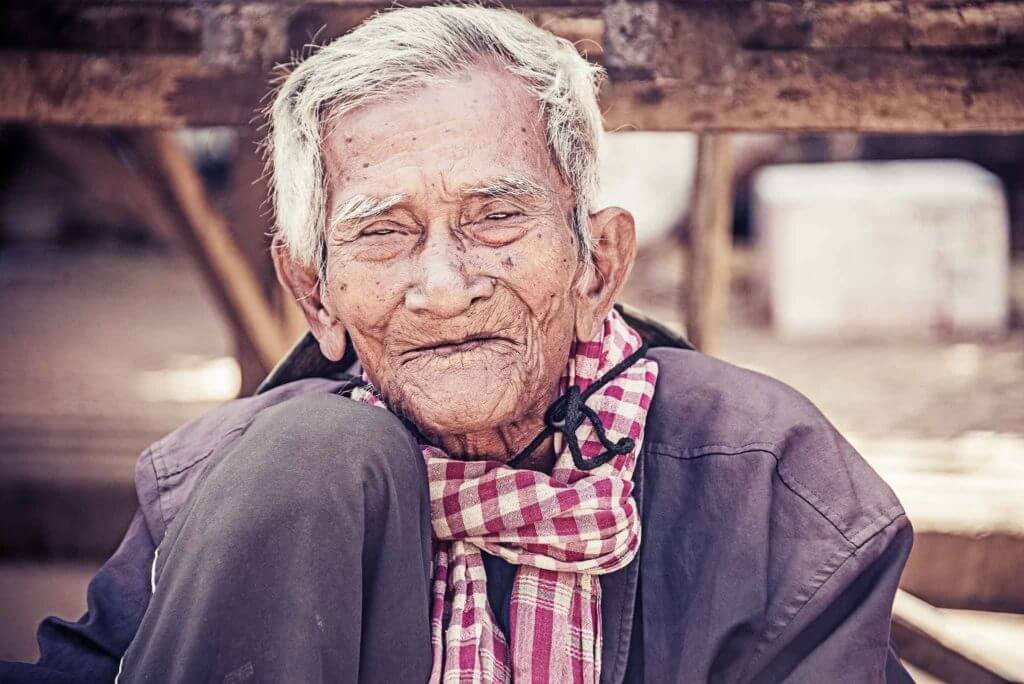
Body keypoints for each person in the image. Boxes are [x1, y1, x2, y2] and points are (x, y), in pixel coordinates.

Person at [3, 5, 913, 683]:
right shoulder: (231, 486)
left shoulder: (773, 488)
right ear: (313, 294)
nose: (443, 286)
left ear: (598, 264)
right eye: (383, 231)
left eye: (496, 217)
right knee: (313, 452)